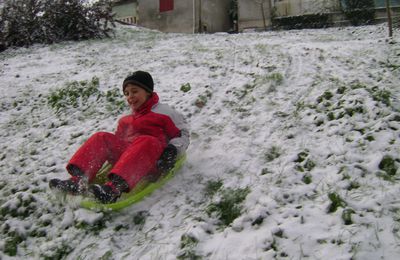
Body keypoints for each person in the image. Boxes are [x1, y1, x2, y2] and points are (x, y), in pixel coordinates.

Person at [49, 71, 190, 203]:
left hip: (155, 160)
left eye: (135, 91)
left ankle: (113, 189)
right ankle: (79, 179)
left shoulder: (165, 113)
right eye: (127, 93)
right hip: (127, 160)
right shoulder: (126, 119)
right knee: (101, 137)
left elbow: (182, 134)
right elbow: (117, 142)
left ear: (148, 92)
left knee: (146, 140)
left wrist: (172, 151)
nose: (130, 96)